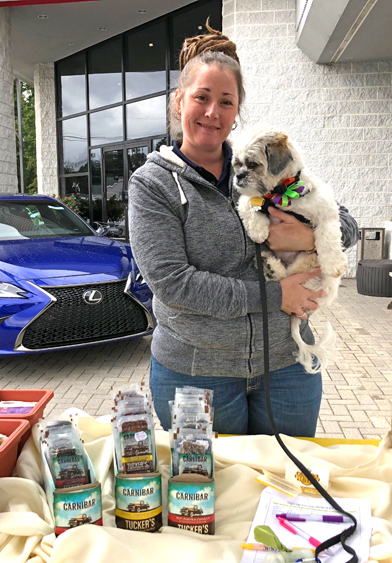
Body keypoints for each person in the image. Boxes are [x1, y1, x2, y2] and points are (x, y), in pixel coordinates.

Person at [127, 24, 358, 436]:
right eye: (201, 97)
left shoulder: (266, 164)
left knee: (286, 483)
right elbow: (174, 285)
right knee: (208, 495)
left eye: (226, 102)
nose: (212, 112)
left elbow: (345, 222)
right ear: (179, 102)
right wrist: (277, 295)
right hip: (196, 373)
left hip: (288, 367)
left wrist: (307, 238)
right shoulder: (153, 184)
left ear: (236, 113)